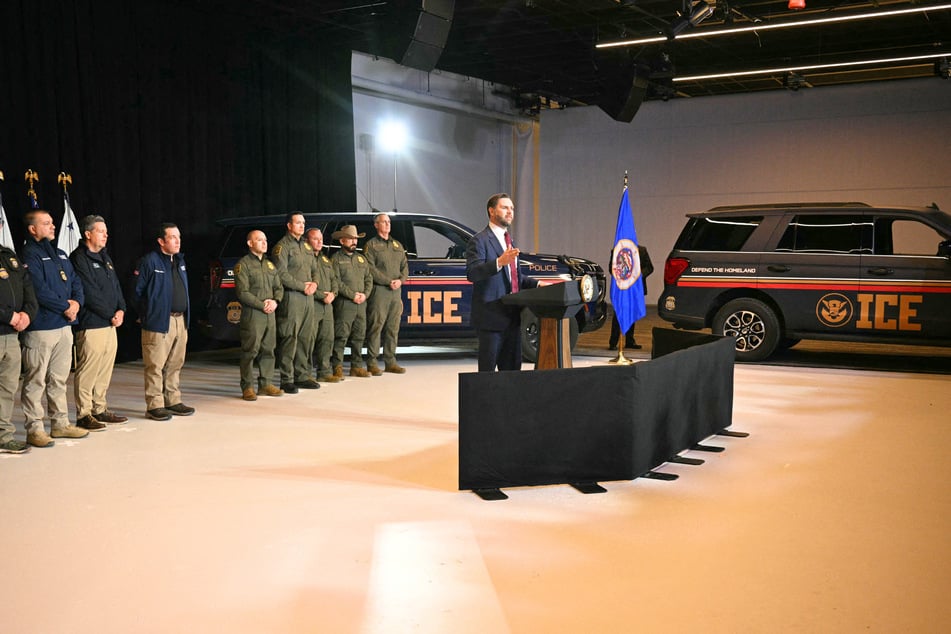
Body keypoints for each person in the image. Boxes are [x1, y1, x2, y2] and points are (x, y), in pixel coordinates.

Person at [19, 210, 89, 446]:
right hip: (41, 327)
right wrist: (65, 306)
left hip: (64, 326)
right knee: (36, 380)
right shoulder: (29, 254)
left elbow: (76, 281)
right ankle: (35, 429)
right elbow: (38, 290)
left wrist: (77, 303)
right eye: (46, 223)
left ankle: (60, 424)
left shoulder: (60, 253)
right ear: (32, 229)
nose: (52, 226)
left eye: (52, 223)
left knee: (58, 379)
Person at [465, 193, 538, 372]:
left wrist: (538, 285)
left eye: (512, 208)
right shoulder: (479, 240)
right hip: (491, 318)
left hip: (513, 317)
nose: (510, 212)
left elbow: (514, 277)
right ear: (491, 211)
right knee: (488, 376)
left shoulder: (509, 240)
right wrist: (499, 262)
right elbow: (473, 273)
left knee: (512, 373)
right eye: (504, 207)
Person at [70, 214, 128, 430]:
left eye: (106, 231)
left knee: (105, 369)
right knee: (88, 370)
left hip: (110, 323)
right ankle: (84, 414)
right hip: (92, 323)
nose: (106, 235)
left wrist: (121, 309)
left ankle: (99, 408)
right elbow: (89, 292)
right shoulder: (79, 258)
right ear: (88, 234)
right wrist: (110, 313)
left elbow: (116, 287)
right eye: (100, 231)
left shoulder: (105, 257)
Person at [133, 222, 196, 421]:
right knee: (155, 365)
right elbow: (136, 292)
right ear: (161, 241)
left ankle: (173, 400)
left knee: (175, 364)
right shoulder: (149, 262)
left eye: (179, 237)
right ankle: (155, 405)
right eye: (172, 237)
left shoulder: (179, 261)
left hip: (180, 321)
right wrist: (147, 314)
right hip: (159, 322)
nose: (178, 241)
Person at [272, 212, 320, 394]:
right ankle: (287, 379)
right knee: (290, 338)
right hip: (292, 297)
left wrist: (314, 284)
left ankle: (302, 375)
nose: (302, 226)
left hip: (308, 298)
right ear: (289, 225)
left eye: (303, 223)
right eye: (298, 223)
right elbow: (281, 274)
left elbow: (315, 269)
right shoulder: (282, 247)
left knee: (305, 338)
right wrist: (302, 286)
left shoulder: (306, 247)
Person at [234, 230, 285, 401]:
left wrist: (275, 301)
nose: (264, 243)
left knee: (268, 350)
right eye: (259, 240)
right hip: (253, 313)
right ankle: (247, 387)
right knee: (250, 351)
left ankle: (266, 384)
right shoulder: (243, 265)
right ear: (250, 243)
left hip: (270, 313)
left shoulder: (270, 265)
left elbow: (279, 287)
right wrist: (262, 304)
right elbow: (242, 292)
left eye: (265, 240)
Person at [0, 243, 37, 454]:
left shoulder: (8, 255)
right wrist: (9, 316)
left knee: (6, 389)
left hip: (12, 336)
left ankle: (3, 437)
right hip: (7, 324)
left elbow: (28, 288)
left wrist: (27, 314)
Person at [364, 212, 408, 375]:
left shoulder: (397, 245)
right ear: (376, 225)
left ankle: (390, 361)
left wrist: (401, 280)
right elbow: (370, 268)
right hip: (380, 291)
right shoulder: (371, 245)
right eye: (383, 222)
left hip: (395, 292)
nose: (388, 224)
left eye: (388, 221)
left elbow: (405, 267)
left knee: (393, 327)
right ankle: (372, 363)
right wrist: (388, 281)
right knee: (376, 326)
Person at [330, 224, 373, 378]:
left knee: (359, 336)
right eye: (350, 239)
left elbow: (369, 279)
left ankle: (356, 366)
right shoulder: (336, 259)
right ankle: (337, 367)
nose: (354, 241)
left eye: (355, 238)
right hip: (345, 304)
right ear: (342, 241)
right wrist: (352, 295)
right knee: (341, 336)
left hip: (361, 304)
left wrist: (365, 295)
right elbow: (336, 281)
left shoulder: (361, 259)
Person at [305, 228, 340, 383]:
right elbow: (306, 283)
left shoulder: (326, 260)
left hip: (328, 305)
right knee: (308, 340)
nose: (320, 242)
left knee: (327, 339)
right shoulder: (304, 259)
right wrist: (322, 295)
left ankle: (324, 372)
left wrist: (333, 293)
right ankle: (305, 374)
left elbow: (334, 280)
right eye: (315, 239)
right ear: (307, 241)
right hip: (312, 304)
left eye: (321, 239)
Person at [608, 244, 653, 351]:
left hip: (636, 287)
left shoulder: (642, 250)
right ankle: (613, 342)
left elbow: (649, 267)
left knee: (632, 314)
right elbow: (611, 268)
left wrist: (638, 275)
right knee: (618, 314)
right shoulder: (616, 250)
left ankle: (630, 341)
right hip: (622, 287)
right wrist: (622, 274)